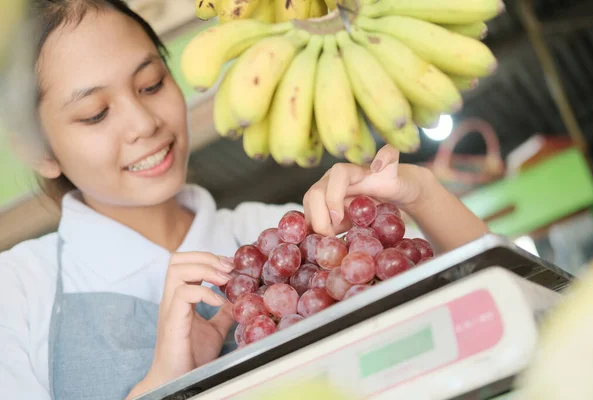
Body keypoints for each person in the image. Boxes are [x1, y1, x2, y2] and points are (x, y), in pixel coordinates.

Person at [0, 1, 489, 399]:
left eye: (151, 84)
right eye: (95, 113)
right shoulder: (17, 295)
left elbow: (484, 310)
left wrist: (419, 193)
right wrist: (158, 390)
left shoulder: (284, 240)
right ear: (39, 150)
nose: (144, 123)